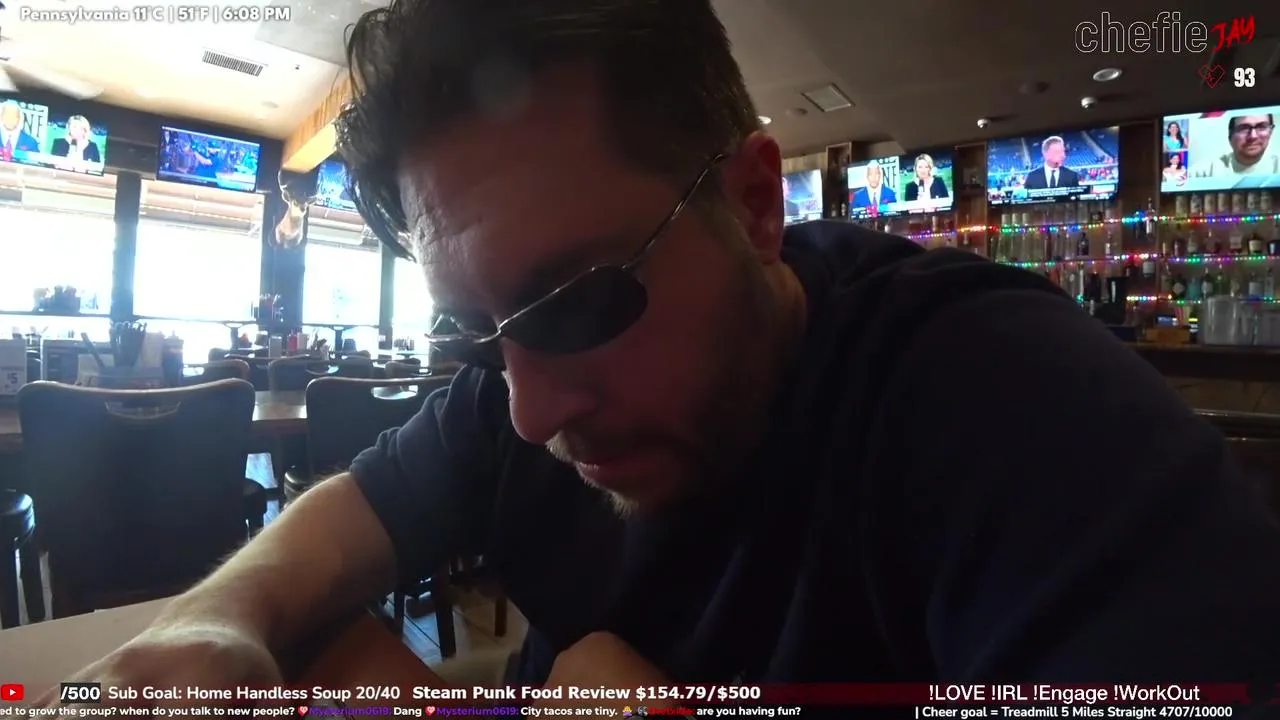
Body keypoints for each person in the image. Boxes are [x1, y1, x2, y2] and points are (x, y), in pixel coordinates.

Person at [43, 0, 1280, 715]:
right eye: (476, 333)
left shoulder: (1010, 406)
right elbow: (346, 516)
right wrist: (222, 620)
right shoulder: (524, 378)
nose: (527, 413)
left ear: (752, 205)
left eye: (580, 300)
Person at [1192, 113, 1280, 178]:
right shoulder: (1207, 171)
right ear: (1230, 136)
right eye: (1244, 128)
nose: (1253, 136)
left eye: (1261, 127)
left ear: (1271, 132)